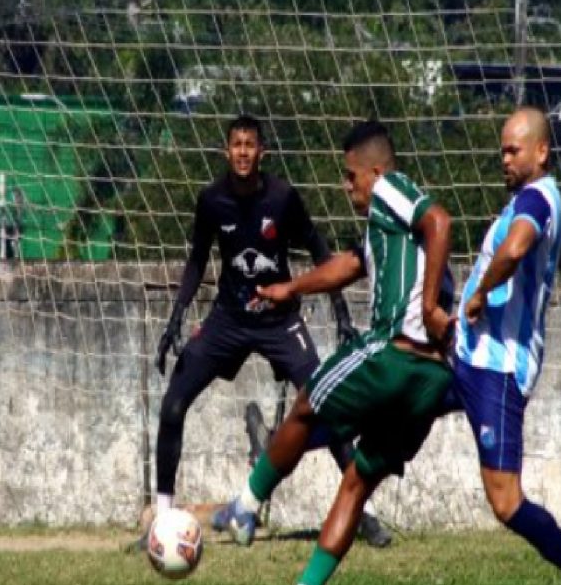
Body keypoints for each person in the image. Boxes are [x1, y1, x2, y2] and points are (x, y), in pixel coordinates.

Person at [215, 120, 455, 585]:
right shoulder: (388, 231)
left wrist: (428, 307)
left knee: (307, 400)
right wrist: (290, 288)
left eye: (351, 175)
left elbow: (440, 220)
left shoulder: (391, 189)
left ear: (375, 172)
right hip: (432, 378)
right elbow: (348, 265)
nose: (347, 186)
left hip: (393, 353)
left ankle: (245, 506)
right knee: (356, 484)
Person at [151, 114, 390, 546]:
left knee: (329, 407)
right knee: (172, 405)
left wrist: (340, 313)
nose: (243, 152)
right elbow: (197, 261)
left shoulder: (282, 198)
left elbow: (319, 251)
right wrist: (176, 317)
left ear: (261, 152)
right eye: (236, 145)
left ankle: (366, 514)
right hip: (228, 319)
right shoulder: (211, 200)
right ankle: (161, 521)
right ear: (227, 151)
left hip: (280, 320)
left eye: (250, 145)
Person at [454, 107, 561, 585]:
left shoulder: (536, 201)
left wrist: (481, 292)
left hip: (498, 367)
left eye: (513, 150)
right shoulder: (545, 203)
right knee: (401, 397)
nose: (504, 159)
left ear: (541, 151)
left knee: (506, 501)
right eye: (502, 150)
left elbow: (516, 248)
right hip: (467, 355)